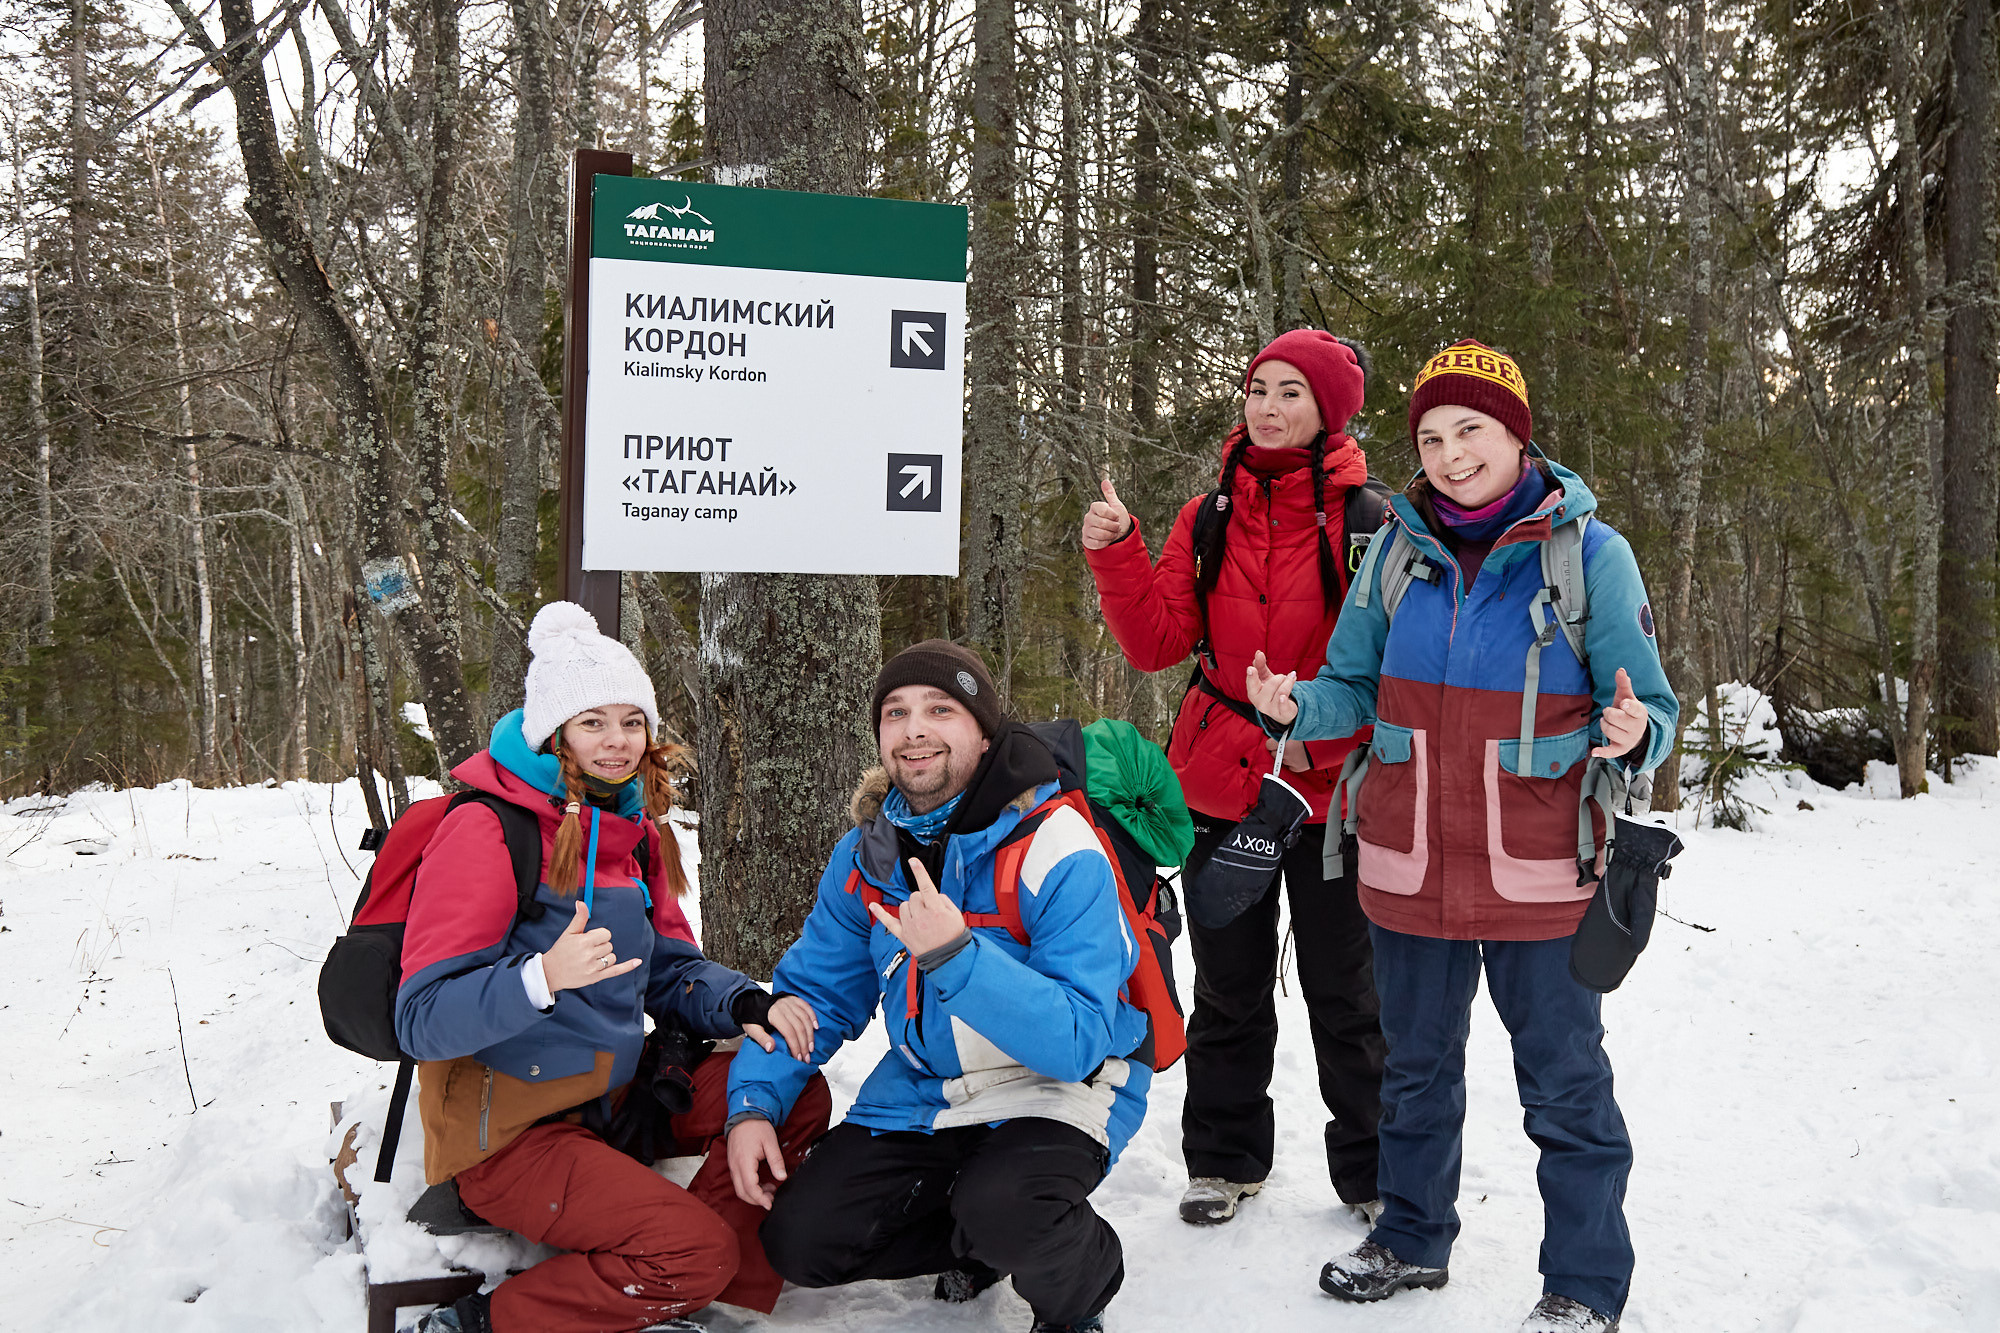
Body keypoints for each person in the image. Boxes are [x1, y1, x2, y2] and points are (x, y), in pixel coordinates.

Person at [1245, 340, 1677, 1333]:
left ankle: (1581, 1283)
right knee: (1411, 1072)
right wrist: (1292, 705)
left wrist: (1631, 730)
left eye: (1468, 430)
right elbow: (1349, 686)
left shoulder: (1588, 554)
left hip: (1541, 872)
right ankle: (1408, 1238)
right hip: (1408, 862)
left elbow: (1649, 704)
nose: (1447, 454)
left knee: (1565, 1088)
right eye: (1430, 436)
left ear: (1515, 434)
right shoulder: (1395, 550)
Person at [395, 601, 832, 1333]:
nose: (618, 741)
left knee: (791, 1083)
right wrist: (541, 977)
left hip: (612, 1099)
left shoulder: (627, 825)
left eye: (632, 720)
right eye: (593, 721)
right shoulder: (487, 827)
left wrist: (746, 1006)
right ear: (554, 731)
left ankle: (689, 1283)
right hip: (513, 1129)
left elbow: (665, 966)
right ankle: (487, 1320)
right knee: (693, 1248)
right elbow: (421, 1018)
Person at [723, 640, 1151, 1333]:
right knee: (803, 1239)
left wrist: (957, 955)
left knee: (1009, 1204)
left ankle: (1081, 1284)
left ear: (983, 733)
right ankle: (986, 1238)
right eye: (895, 712)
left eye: (939, 709)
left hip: (1063, 1087)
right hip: (930, 1091)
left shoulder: (1058, 843)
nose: (914, 729)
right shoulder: (867, 855)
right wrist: (752, 1103)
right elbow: (818, 996)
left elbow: (1077, 1039)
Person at [1080, 327, 1385, 1226]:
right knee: (1227, 984)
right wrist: (1119, 549)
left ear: (1328, 409)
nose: (1269, 407)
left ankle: (1372, 1172)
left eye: (1292, 392)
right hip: (1224, 782)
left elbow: (1391, 661)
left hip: (1334, 788)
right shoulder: (1205, 516)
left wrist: (1315, 707)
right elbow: (1157, 641)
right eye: (1259, 388)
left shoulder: (1371, 520)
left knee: (1347, 992)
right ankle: (1222, 1160)